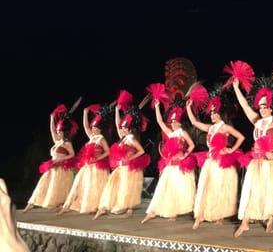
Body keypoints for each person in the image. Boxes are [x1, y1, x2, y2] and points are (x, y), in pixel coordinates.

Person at [232, 61, 273, 237]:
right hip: (257, 161)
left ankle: (269, 222)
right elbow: (245, 107)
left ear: (271, 106)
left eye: (265, 106)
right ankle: (245, 222)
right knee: (251, 190)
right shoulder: (257, 121)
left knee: (271, 191)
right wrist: (237, 88)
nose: (261, 109)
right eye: (260, 106)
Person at [186, 84, 245, 230]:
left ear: (220, 113)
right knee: (205, 186)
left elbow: (241, 137)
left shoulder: (225, 127)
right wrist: (189, 107)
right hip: (210, 161)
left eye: (214, 113)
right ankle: (200, 215)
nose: (212, 115)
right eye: (211, 113)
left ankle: (219, 215)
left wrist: (231, 150)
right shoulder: (210, 128)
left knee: (220, 188)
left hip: (221, 162)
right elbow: (194, 123)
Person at [94, 91, 150, 219]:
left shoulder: (131, 139)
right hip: (120, 168)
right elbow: (117, 125)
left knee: (128, 188)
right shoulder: (123, 138)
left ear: (129, 129)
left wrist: (130, 157)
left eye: (125, 128)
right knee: (113, 186)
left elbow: (141, 151)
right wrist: (117, 111)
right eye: (122, 128)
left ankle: (129, 209)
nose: (122, 130)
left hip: (128, 168)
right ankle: (105, 207)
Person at [142, 97, 196, 223]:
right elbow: (160, 122)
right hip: (170, 166)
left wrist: (185, 155)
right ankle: (152, 212)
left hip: (179, 166)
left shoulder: (183, 133)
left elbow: (192, 145)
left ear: (179, 122)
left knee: (178, 189)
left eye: (174, 121)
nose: (171, 123)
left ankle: (174, 212)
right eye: (171, 121)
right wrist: (157, 107)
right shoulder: (171, 133)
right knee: (164, 189)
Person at [59, 104, 111, 214]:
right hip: (88, 166)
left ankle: (97, 207)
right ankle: (70, 205)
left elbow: (108, 152)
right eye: (92, 127)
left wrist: (98, 159)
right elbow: (85, 127)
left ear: (99, 129)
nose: (92, 129)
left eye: (95, 127)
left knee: (96, 187)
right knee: (81, 184)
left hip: (97, 167)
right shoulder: (92, 137)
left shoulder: (101, 139)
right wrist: (85, 113)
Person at [24, 105, 78, 212]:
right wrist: (52, 118)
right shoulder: (57, 142)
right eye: (58, 132)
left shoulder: (67, 143)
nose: (58, 133)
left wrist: (61, 160)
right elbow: (52, 131)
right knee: (42, 185)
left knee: (57, 189)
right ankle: (31, 203)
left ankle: (60, 205)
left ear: (64, 132)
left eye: (60, 132)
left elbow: (72, 154)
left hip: (61, 169)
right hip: (52, 167)